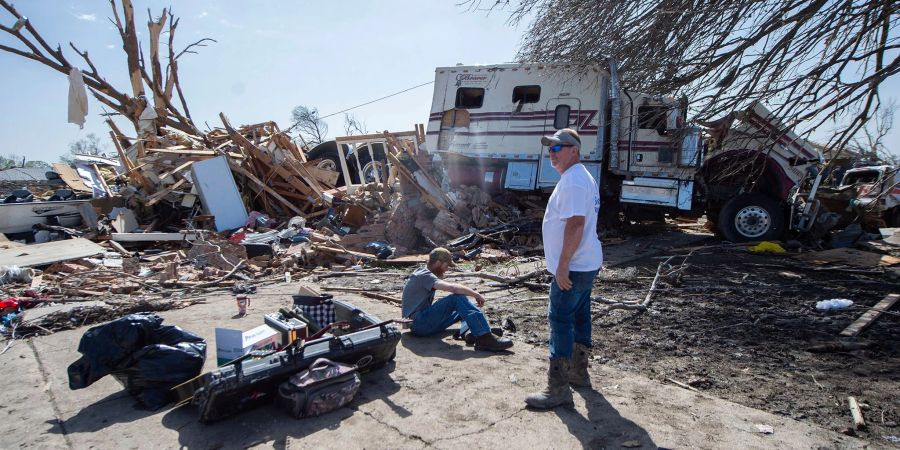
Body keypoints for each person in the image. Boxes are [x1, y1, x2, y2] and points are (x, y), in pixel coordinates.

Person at [526, 128, 603, 409]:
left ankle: (557, 389)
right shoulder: (582, 177)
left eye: (558, 148)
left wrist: (562, 266)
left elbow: (575, 224)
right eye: (549, 148)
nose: (551, 153)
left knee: (560, 320)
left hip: (575, 265)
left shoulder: (573, 181)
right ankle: (578, 373)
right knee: (580, 316)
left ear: (574, 150)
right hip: (586, 262)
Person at [401, 247, 513, 352]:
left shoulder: (424, 273)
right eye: (446, 265)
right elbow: (453, 288)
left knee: (465, 306)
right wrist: (476, 294)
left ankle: (469, 332)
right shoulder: (424, 275)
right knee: (456, 299)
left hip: (422, 324)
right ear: (439, 263)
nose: (447, 269)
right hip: (419, 324)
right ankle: (484, 337)